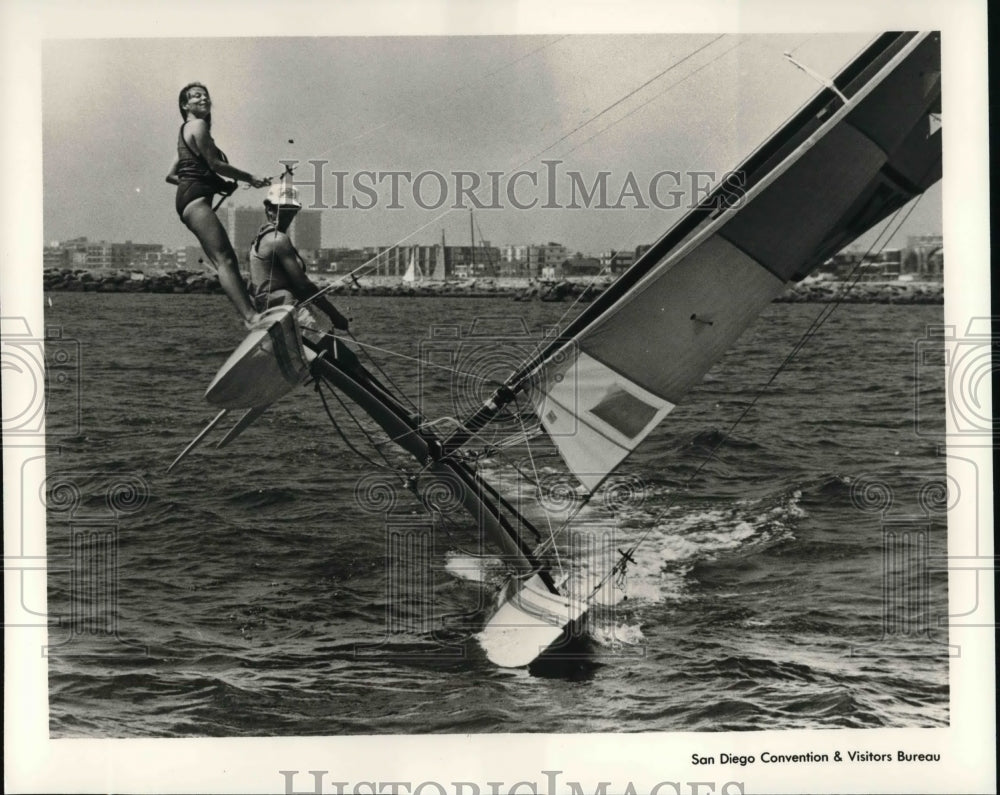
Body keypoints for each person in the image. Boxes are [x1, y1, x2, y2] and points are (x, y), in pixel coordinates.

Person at [166, 82, 270, 325]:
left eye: (205, 95)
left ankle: (250, 311)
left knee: (223, 258)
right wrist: (250, 178)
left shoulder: (185, 131)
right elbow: (215, 165)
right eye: (196, 96)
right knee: (225, 259)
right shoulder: (198, 125)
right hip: (195, 202)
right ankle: (251, 317)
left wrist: (217, 185)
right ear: (185, 105)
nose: (203, 99)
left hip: (189, 200)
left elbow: (172, 175)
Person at [248, 181, 351, 340]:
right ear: (269, 209)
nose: (288, 215)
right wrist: (335, 316)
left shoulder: (258, 238)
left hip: (273, 316)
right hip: (291, 313)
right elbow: (304, 286)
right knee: (347, 361)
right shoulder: (278, 240)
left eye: (292, 210)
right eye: (283, 209)